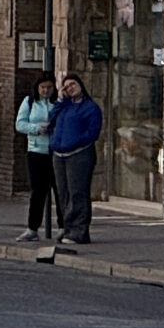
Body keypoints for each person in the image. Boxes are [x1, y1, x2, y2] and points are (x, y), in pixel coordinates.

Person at [50, 74, 104, 246]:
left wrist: (75, 142)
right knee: (63, 194)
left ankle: (79, 231)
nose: (70, 88)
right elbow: (51, 120)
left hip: (79, 154)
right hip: (59, 155)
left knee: (77, 192)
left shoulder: (90, 107)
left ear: (80, 85)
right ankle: (67, 227)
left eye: (73, 84)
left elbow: (93, 132)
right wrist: (60, 100)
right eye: (66, 86)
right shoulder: (64, 106)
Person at [15, 77, 57, 242]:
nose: (46, 91)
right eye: (42, 87)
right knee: (38, 191)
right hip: (36, 150)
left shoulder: (58, 102)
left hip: (55, 150)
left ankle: (63, 227)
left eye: (49, 87)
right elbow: (20, 124)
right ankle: (32, 228)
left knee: (59, 190)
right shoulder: (30, 101)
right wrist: (36, 129)